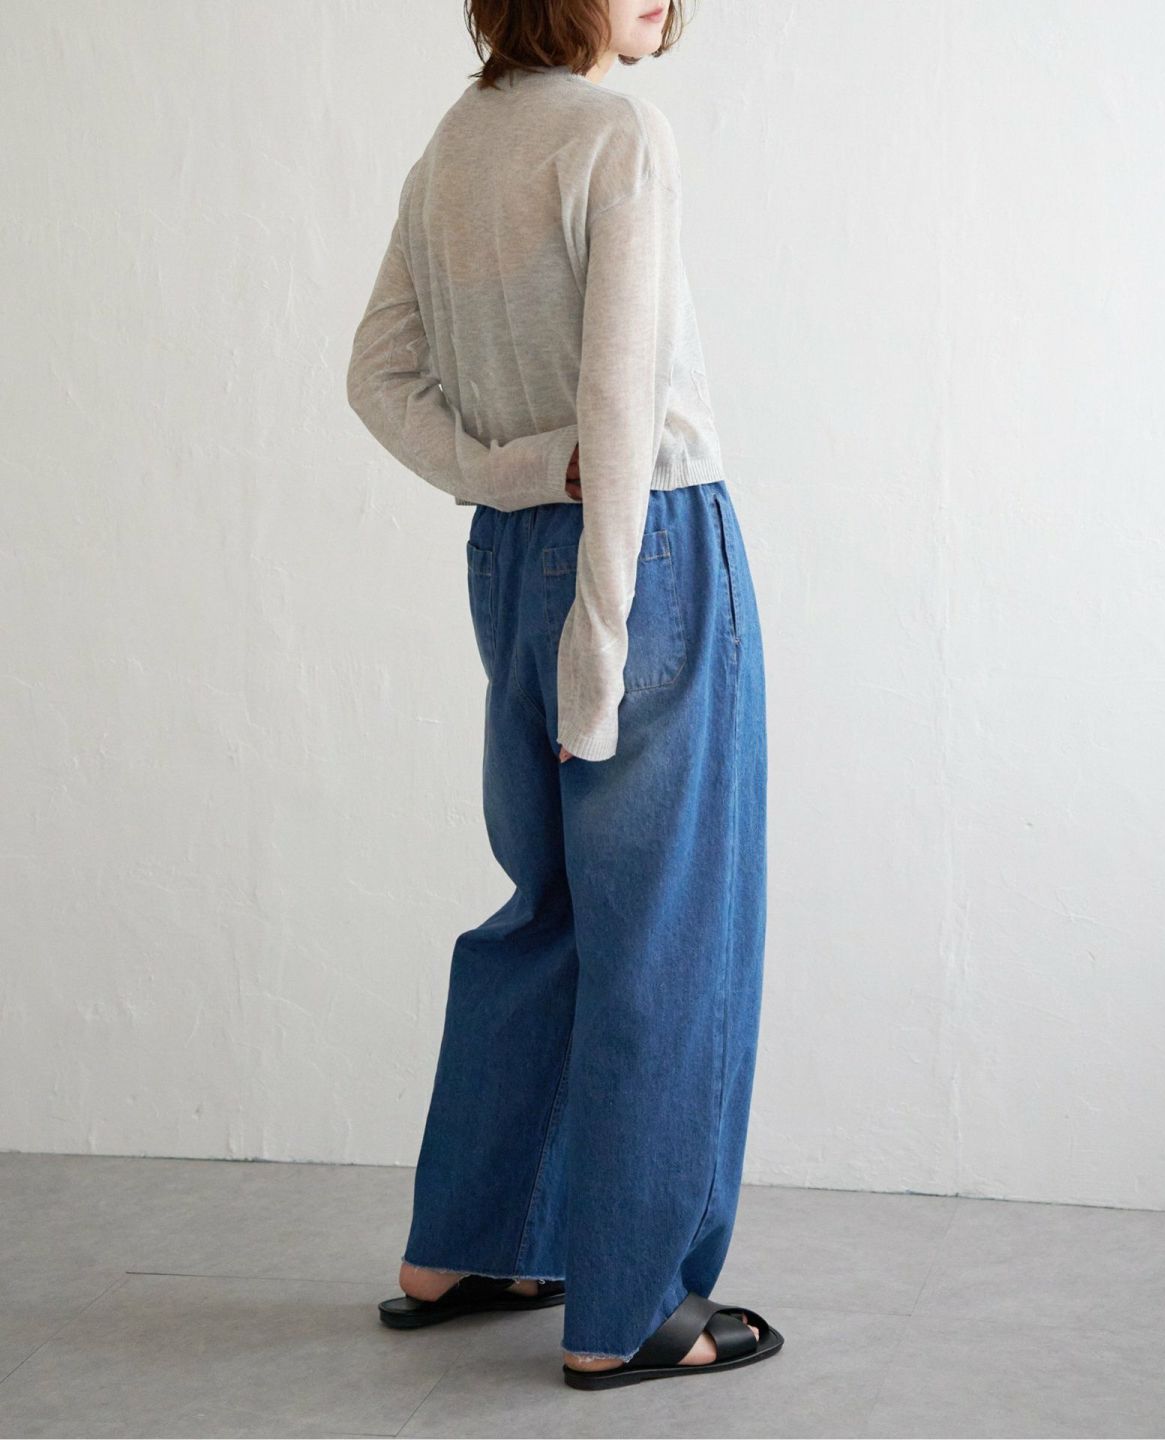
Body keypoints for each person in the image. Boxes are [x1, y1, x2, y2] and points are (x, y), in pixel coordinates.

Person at [345, 0, 778, 1389]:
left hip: (516, 551)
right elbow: (622, 406)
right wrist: (604, 639)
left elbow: (378, 377)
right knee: (668, 928)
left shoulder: (453, 147)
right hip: (644, 552)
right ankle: (633, 1310)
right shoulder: (614, 137)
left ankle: (466, 1245)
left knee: (548, 910)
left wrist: (513, 476)